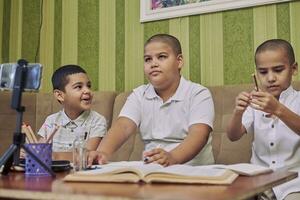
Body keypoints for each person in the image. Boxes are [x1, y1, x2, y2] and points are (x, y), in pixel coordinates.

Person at [87, 33, 215, 167]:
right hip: (153, 170)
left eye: (162, 57)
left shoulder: (198, 93)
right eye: (148, 59)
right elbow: (123, 127)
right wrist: (101, 152)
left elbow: (199, 135)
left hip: (194, 171)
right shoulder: (139, 95)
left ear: (179, 61)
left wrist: (172, 157)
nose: (153, 63)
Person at [226, 39, 300, 200]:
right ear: (256, 74)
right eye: (263, 72)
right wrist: (238, 112)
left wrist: (278, 109)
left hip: (294, 182)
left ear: (293, 69)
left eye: (278, 70)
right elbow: (233, 136)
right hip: (257, 180)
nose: (271, 78)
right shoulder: (254, 102)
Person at [37, 65, 107, 160]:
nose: (87, 90)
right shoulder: (51, 121)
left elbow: (87, 155)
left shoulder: (97, 121)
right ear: (60, 95)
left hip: (82, 173)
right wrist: (29, 152)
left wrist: (54, 156)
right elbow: (39, 149)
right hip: (54, 172)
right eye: (79, 87)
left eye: (89, 86)